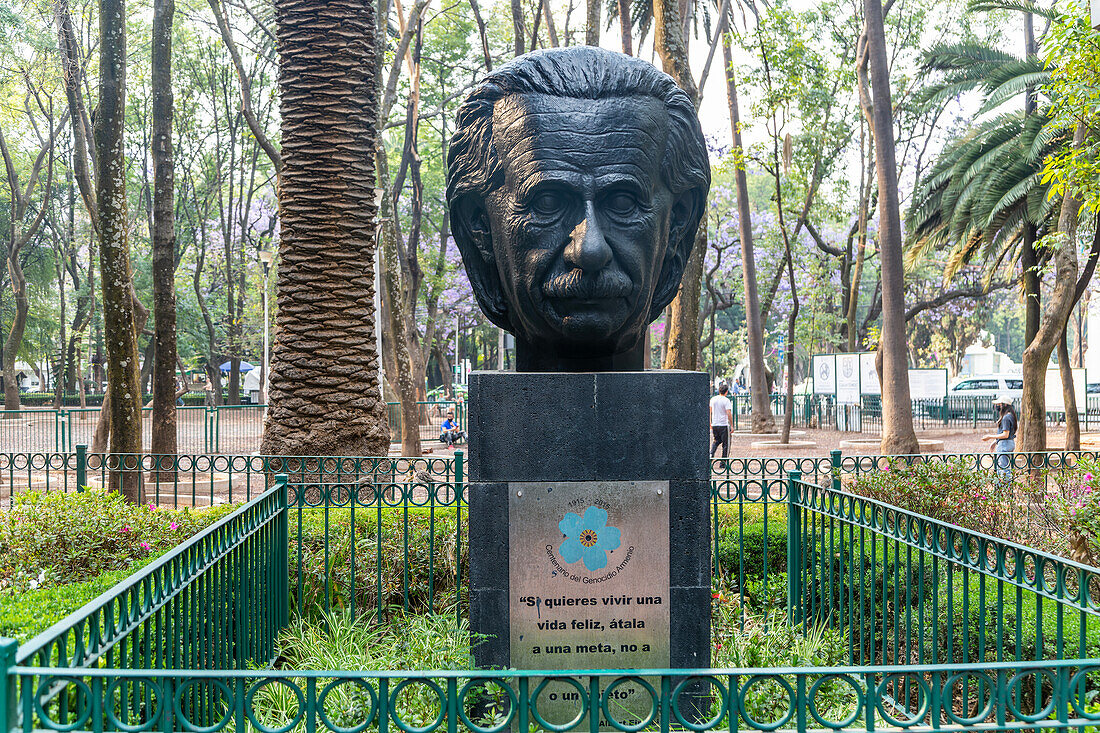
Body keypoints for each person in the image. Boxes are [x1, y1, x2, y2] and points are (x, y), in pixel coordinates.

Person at [982, 395, 1017, 481]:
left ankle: (1005, 491)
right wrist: (995, 441)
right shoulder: (1010, 416)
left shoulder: (1006, 418)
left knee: (1003, 469)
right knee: (1003, 468)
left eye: (999, 404)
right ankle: (1004, 489)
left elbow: (1005, 434)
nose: (997, 406)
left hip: (1004, 444)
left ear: (1004, 405)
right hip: (1009, 443)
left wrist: (990, 437)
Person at [710, 383, 734, 459]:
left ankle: (711, 454)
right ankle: (723, 462)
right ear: (726, 392)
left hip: (715, 424)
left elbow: (709, 411)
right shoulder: (726, 400)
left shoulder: (713, 399)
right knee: (726, 444)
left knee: (716, 441)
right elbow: (728, 413)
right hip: (723, 424)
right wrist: (732, 425)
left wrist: (710, 422)